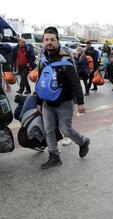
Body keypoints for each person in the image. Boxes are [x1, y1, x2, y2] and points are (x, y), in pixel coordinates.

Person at [36, 27, 90, 169]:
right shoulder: (42, 59)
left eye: (52, 39)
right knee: (49, 129)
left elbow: (75, 82)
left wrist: (80, 102)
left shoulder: (65, 58)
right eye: (46, 39)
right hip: (47, 102)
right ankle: (54, 156)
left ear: (58, 41)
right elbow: (40, 82)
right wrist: (38, 101)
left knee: (65, 130)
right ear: (43, 42)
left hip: (64, 102)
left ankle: (83, 142)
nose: (49, 42)